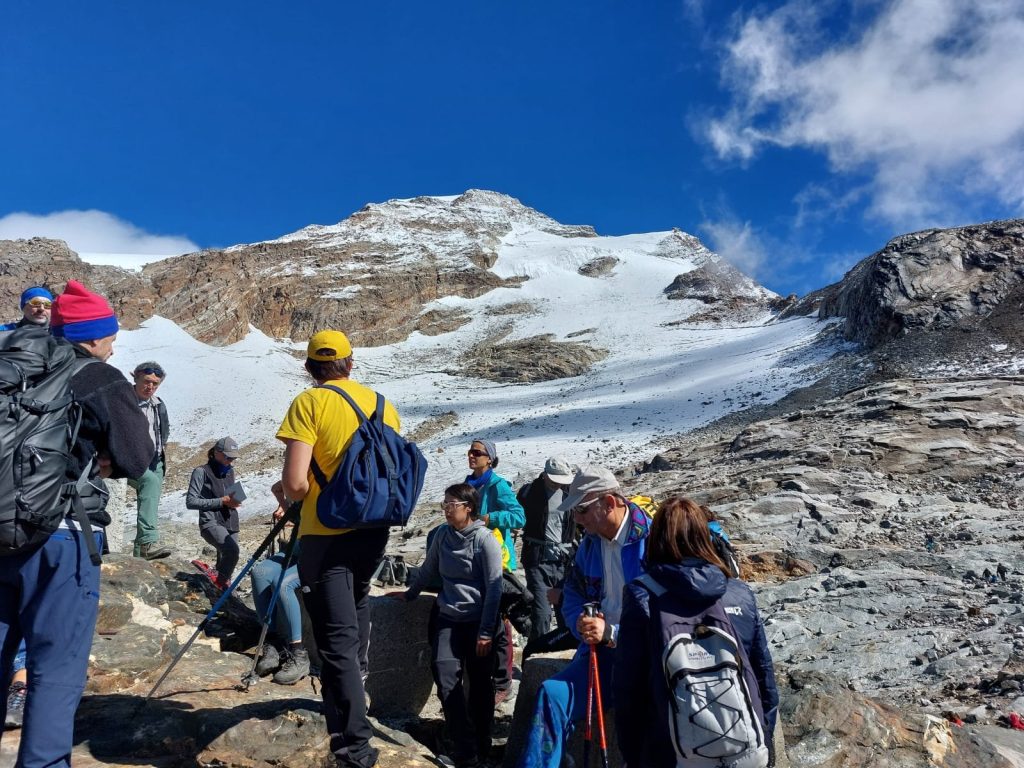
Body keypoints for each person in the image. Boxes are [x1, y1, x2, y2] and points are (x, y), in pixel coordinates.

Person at [0, 279, 152, 767]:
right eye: (110, 335)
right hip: (59, 533)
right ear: (91, 337)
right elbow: (139, 456)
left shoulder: (10, 365)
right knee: (56, 666)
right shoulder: (98, 376)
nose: (114, 344)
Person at [273, 329, 400, 768]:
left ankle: (353, 747)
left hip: (325, 533)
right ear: (350, 362)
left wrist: (292, 495)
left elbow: (295, 484)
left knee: (334, 639)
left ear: (310, 366)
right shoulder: (383, 404)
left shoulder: (309, 403)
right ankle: (355, 689)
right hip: (373, 529)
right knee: (357, 605)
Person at [614, 497, 779, 767]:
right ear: (705, 537)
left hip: (674, 753)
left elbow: (628, 690)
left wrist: (633, 757)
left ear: (657, 540)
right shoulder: (739, 594)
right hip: (745, 749)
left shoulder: (642, 596)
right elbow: (765, 681)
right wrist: (764, 742)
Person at [517, 465, 651, 768]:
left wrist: (613, 633)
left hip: (647, 656)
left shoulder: (652, 540)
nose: (575, 520)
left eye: (582, 510)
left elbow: (664, 614)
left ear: (610, 503)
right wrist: (580, 621)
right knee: (552, 695)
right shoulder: (590, 544)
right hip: (600, 653)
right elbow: (573, 591)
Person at [393, 484, 503, 768]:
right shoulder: (442, 535)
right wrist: (410, 594)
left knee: (479, 685)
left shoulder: (484, 540)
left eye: (451, 504)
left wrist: (487, 631)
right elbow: (429, 568)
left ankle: (481, 743)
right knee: (446, 678)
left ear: (468, 507)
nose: (446, 508)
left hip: (478, 621)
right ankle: (464, 748)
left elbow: (494, 589)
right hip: (447, 617)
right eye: (445, 503)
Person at [465, 438, 525, 700]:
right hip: (474, 559)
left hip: (499, 559)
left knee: (500, 620)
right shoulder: (468, 484)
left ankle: (503, 681)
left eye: (477, 452)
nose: (471, 455)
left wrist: (491, 518)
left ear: (489, 458)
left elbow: (519, 516)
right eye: (470, 451)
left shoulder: (497, 485)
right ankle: (482, 676)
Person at [250, 504, 309, 685]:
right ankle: (274, 643)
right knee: (259, 573)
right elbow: (278, 487)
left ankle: (299, 654)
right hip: (297, 545)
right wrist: (285, 502)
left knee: (282, 585)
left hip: (317, 550)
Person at [517, 457, 575, 639]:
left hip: (563, 562)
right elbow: (516, 516)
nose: (558, 484)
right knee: (542, 614)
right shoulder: (528, 493)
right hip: (537, 561)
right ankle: (537, 653)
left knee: (566, 611)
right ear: (545, 475)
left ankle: (567, 653)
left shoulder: (570, 494)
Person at [128, 361, 171, 559]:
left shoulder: (158, 404)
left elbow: (163, 430)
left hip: (154, 460)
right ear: (135, 378)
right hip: (129, 460)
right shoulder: (124, 400)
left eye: (155, 383)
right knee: (150, 482)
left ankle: (140, 557)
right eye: (147, 381)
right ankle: (147, 541)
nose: (150, 387)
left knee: (149, 503)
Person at [187, 437, 243, 590]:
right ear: (216, 453)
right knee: (232, 551)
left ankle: (221, 594)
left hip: (231, 522)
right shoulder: (201, 471)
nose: (230, 460)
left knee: (228, 562)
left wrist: (237, 499)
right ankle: (220, 585)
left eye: (233, 457)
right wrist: (221, 501)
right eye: (227, 456)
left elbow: (236, 497)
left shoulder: (230, 471)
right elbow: (191, 502)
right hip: (211, 522)